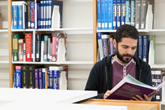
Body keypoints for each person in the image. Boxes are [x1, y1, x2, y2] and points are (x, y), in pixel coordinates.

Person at [85, 24, 156, 101]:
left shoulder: (144, 68)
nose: (129, 52)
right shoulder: (100, 67)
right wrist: (102, 97)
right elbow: (87, 97)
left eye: (133, 48)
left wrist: (147, 101)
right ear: (115, 43)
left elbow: (151, 99)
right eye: (125, 47)